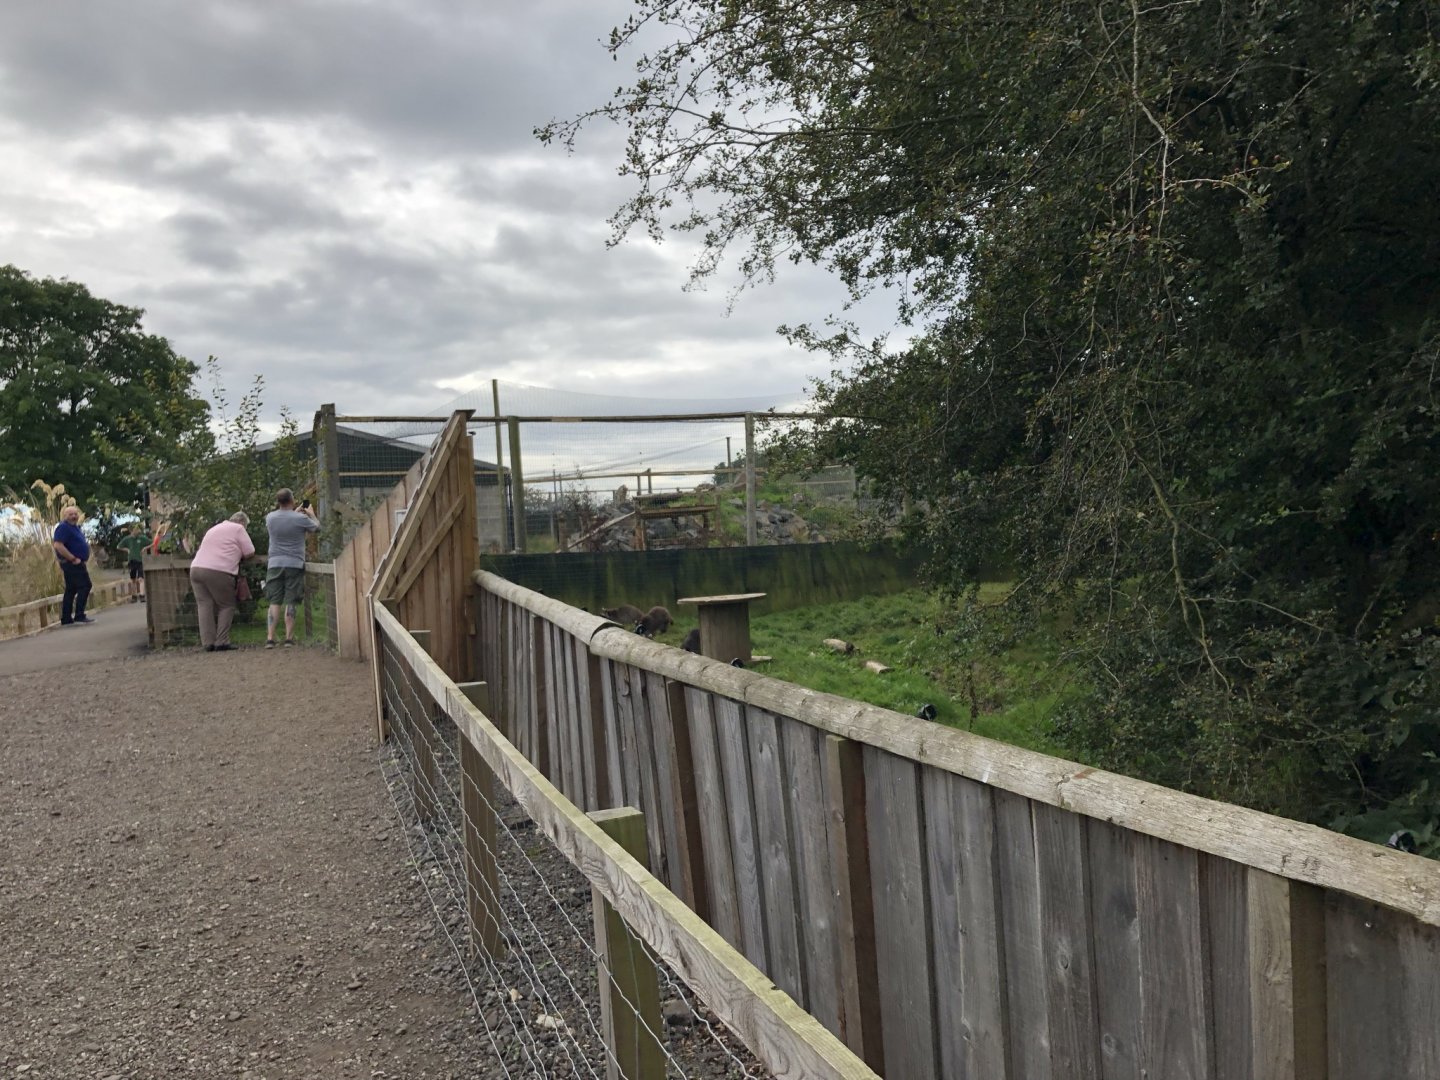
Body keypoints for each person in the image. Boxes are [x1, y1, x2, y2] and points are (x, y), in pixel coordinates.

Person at [189, 512, 256, 652]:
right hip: (218, 570)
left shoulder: (214, 528)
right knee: (227, 605)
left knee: (204, 605)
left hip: (196, 568)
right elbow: (250, 551)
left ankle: (208, 642)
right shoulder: (238, 528)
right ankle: (222, 641)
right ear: (242, 522)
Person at [264, 488, 319, 648]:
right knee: (291, 600)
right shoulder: (300, 519)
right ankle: (288, 638)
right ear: (292, 500)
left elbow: (284, 521)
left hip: (275, 563)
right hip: (294, 563)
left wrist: (294, 513)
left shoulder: (270, 517)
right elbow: (317, 528)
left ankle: (270, 638)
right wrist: (311, 514)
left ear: (278, 501)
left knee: (274, 601)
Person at [51, 505, 93, 626]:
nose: (74, 516)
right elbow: (58, 545)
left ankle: (66, 618)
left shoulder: (75, 527)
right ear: (65, 516)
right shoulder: (63, 527)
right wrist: (72, 558)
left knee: (71, 589)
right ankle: (79, 615)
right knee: (85, 586)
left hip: (77, 562)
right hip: (72, 563)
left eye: (75, 514)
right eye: (70, 514)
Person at [115, 523, 151, 603]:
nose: (138, 531)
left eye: (138, 529)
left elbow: (152, 543)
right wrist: (127, 550)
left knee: (141, 579)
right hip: (131, 560)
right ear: (132, 530)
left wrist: (144, 548)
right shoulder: (127, 539)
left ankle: (142, 595)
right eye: (136, 529)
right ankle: (134, 596)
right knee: (133, 580)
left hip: (140, 560)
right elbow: (118, 546)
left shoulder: (142, 538)